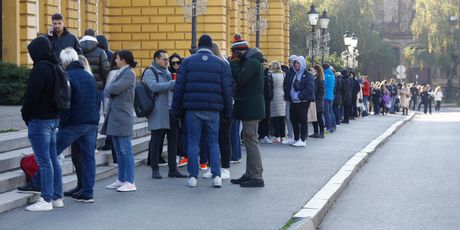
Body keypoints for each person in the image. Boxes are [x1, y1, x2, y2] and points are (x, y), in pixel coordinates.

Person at [172, 34, 233, 188]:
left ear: (198, 46)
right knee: (213, 142)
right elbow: (227, 90)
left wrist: (176, 109)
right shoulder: (221, 64)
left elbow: (179, 88)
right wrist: (228, 111)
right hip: (213, 109)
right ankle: (216, 176)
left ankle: (193, 177)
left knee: (193, 142)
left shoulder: (187, 62)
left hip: (192, 109)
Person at [21, 36, 62, 211]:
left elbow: (31, 96)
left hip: (40, 119)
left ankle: (46, 199)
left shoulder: (40, 69)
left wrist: (25, 114)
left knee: (44, 161)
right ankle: (57, 197)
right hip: (54, 118)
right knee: (53, 158)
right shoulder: (55, 66)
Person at [55, 48, 99, 202]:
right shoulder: (89, 76)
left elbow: (66, 103)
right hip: (91, 122)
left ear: (65, 63)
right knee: (89, 158)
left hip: (74, 122)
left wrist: (62, 123)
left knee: (51, 152)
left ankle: (38, 183)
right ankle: (88, 193)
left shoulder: (67, 76)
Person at [229, 34, 266, 187]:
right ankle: (250, 173)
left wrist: (234, 64)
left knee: (251, 140)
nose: (233, 56)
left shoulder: (251, 63)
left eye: (235, 53)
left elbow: (241, 78)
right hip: (251, 107)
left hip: (251, 108)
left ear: (240, 52)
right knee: (250, 139)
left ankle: (256, 176)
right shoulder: (252, 61)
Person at [144, 49, 186, 179]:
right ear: (157, 59)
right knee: (157, 141)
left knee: (173, 141)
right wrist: (172, 83)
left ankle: (173, 169)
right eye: (165, 59)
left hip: (171, 111)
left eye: (167, 59)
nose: (167, 62)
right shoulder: (150, 71)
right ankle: (155, 169)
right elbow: (154, 86)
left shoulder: (168, 72)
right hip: (158, 111)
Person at [102, 50, 137, 192]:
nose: (115, 61)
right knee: (118, 150)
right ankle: (121, 179)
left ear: (123, 60)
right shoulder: (121, 72)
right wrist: (109, 89)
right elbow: (109, 89)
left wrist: (109, 89)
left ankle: (130, 181)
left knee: (125, 150)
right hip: (116, 116)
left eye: (117, 59)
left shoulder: (129, 73)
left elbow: (113, 89)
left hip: (122, 116)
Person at [202, 41, 233, 179]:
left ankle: (224, 167)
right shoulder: (223, 64)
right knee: (213, 137)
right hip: (216, 105)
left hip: (220, 105)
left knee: (222, 137)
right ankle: (214, 166)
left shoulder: (223, 65)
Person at [283, 56, 315, 147]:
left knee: (302, 119)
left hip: (303, 101)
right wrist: (289, 95)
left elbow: (310, 89)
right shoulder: (294, 74)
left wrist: (299, 95)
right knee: (294, 119)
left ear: (302, 64)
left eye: (298, 63)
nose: (296, 65)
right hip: (293, 101)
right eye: (295, 63)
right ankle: (296, 138)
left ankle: (303, 139)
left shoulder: (308, 75)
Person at [269, 61, 286, 143]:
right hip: (282, 95)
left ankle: (277, 136)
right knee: (282, 117)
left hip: (274, 96)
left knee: (275, 117)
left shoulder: (271, 75)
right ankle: (283, 136)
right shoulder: (283, 74)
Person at [281, 55, 297, 145]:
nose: (290, 63)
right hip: (288, 97)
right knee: (287, 116)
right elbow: (285, 83)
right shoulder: (288, 72)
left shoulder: (296, 72)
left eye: (292, 61)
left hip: (294, 98)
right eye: (289, 61)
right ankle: (290, 135)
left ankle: (295, 135)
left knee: (294, 117)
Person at [258, 58, 274, 144]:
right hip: (261, 97)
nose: (264, 66)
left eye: (265, 64)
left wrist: (271, 95)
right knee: (261, 117)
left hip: (267, 98)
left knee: (267, 117)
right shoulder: (259, 73)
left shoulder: (269, 73)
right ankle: (261, 135)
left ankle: (265, 135)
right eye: (263, 64)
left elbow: (271, 85)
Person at [310, 64, 325, 138]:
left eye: (312, 70)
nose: (310, 71)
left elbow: (322, 91)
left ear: (316, 70)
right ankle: (315, 132)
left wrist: (317, 98)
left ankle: (322, 132)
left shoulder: (319, 79)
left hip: (318, 101)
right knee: (313, 117)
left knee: (319, 117)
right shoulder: (313, 78)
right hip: (313, 100)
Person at [323, 64, 336, 132]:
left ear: (324, 68)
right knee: (331, 111)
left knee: (326, 112)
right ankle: (333, 125)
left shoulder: (325, 76)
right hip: (331, 96)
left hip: (325, 96)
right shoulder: (332, 76)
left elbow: (323, 86)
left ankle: (328, 127)